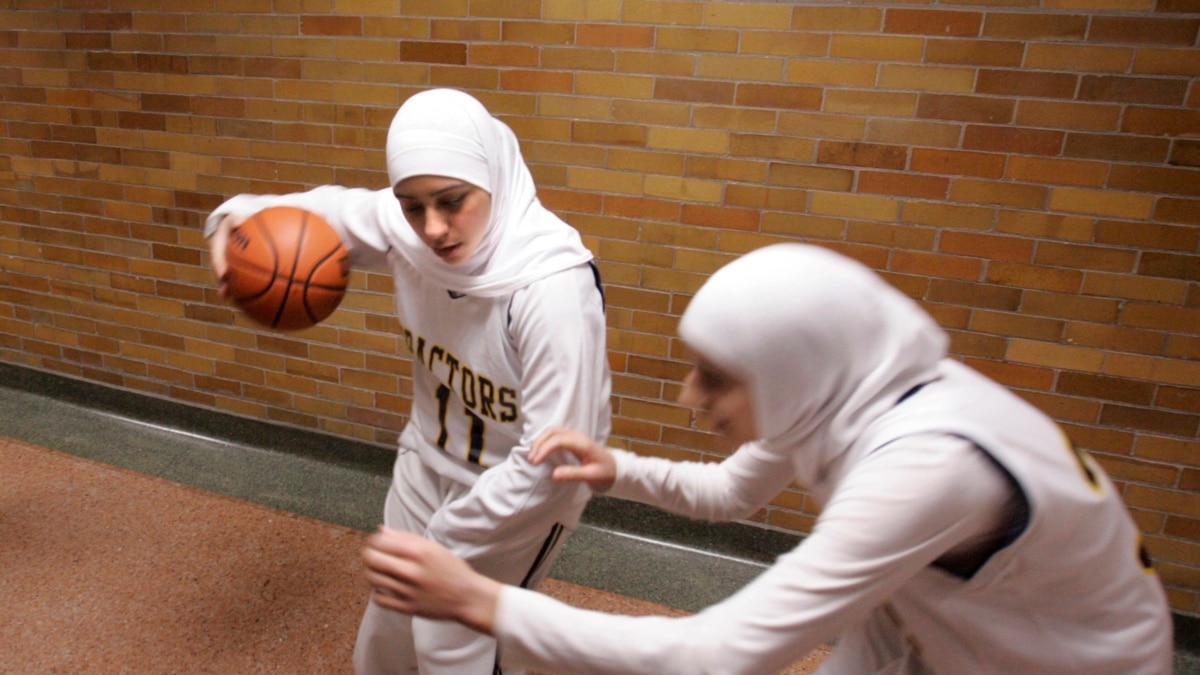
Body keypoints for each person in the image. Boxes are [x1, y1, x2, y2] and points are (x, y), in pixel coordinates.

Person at [361, 242, 1174, 675]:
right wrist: (619, 467)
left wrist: (484, 601)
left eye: (716, 377)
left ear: (793, 367)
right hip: (928, 624)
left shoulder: (925, 470)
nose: (689, 395)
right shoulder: (848, 386)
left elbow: (716, 655)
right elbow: (729, 492)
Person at [205, 88, 612, 674]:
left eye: (453, 201)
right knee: (388, 636)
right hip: (427, 462)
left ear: (492, 176)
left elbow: (556, 462)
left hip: (521, 493)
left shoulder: (553, 290)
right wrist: (228, 229)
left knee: (462, 649)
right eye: (412, 205)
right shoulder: (405, 226)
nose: (434, 228)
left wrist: (450, 535)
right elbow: (278, 215)